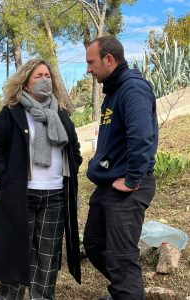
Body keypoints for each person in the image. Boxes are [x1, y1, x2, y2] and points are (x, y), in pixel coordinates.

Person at [0, 59, 82, 300]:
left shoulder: (60, 114)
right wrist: (7, 177)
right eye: (38, 76)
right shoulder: (11, 113)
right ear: (25, 83)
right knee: (16, 253)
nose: (45, 79)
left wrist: (72, 167)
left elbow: (74, 148)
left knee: (48, 255)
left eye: (47, 75)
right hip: (20, 196)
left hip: (55, 196)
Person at [83, 36, 158, 300]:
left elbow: (141, 138)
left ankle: (126, 291)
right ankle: (123, 292)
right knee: (94, 244)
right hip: (108, 185)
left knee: (121, 258)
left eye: (91, 63)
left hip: (127, 186)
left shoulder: (132, 89)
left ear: (109, 59)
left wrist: (132, 180)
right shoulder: (115, 91)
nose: (88, 69)